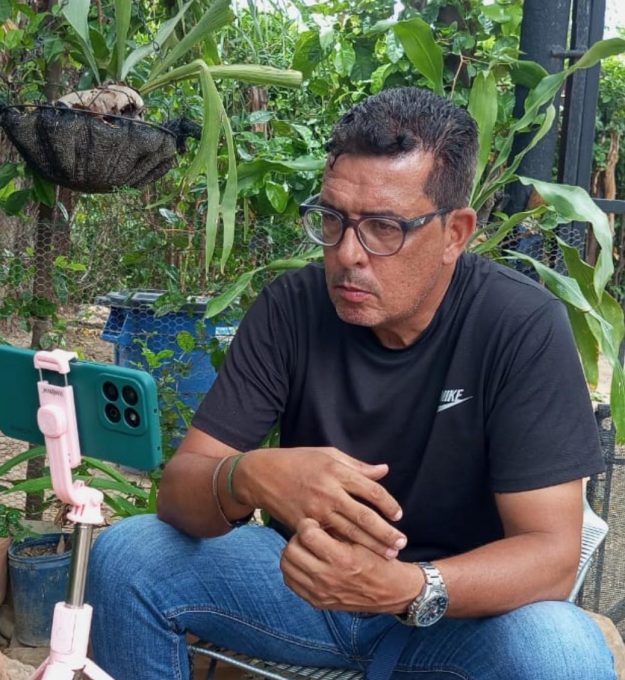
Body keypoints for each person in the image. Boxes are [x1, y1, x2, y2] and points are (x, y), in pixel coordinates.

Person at [87, 87, 615, 679]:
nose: (347, 254)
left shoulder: (519, 325)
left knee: (561, 646)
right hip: (306, 588)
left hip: (457, 617)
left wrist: (406, 587)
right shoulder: (292, 309)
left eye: (384, 227)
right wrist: (247, 476)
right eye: (333, 218)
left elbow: (551, 556)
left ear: (455, 234)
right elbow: (180, 490)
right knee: (129, 557)